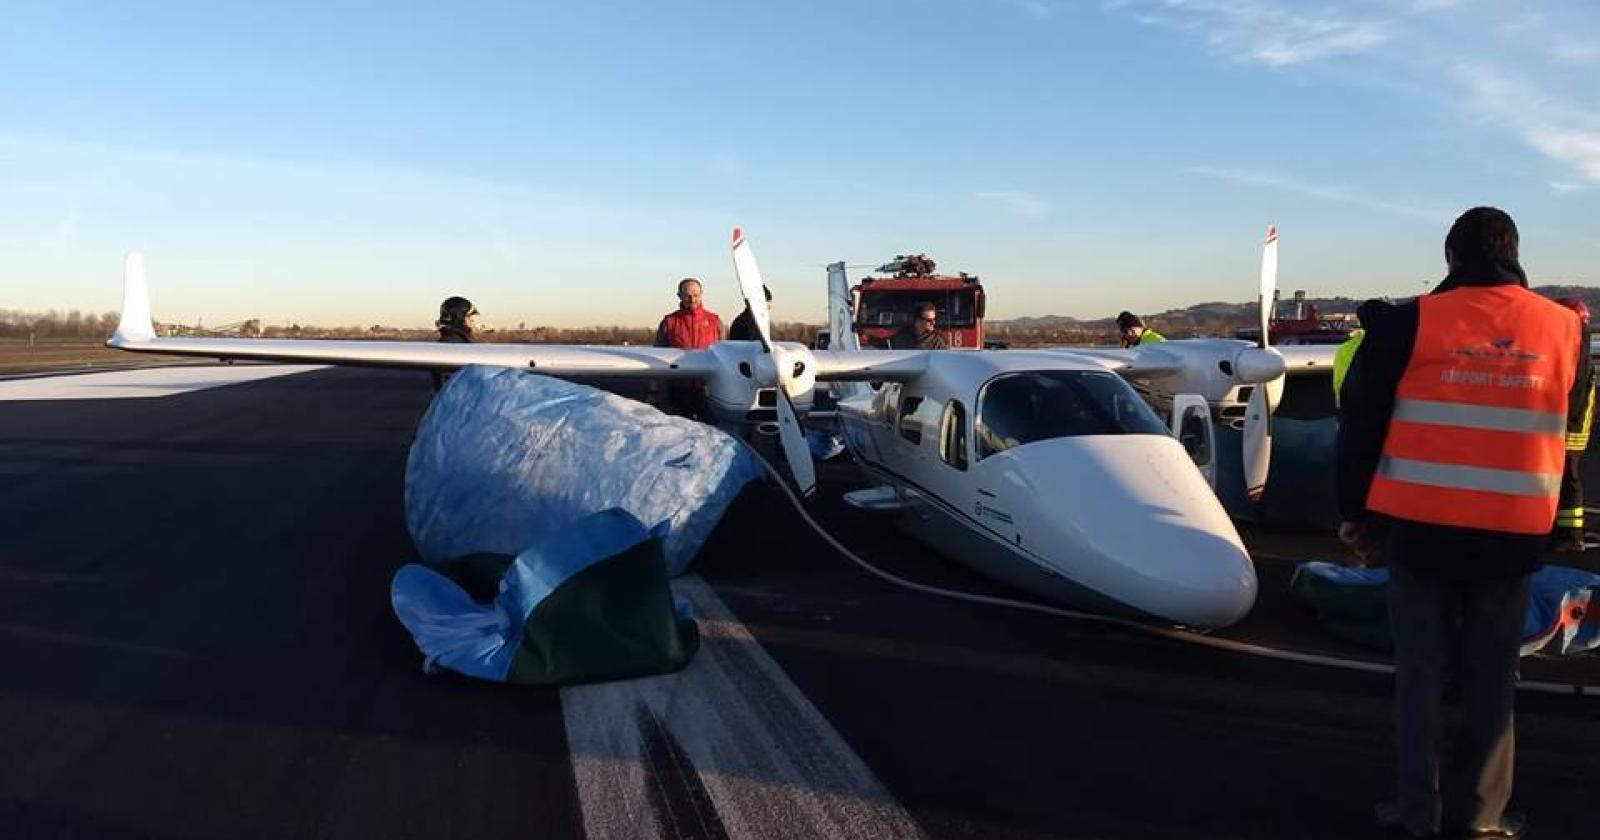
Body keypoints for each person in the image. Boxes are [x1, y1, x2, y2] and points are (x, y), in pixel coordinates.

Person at [1337, 207, 1588, 840]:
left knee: (1418, 676)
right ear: (1515, 253)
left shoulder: (1407, 322)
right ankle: (1483, 816)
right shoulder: (1565, 330)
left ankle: (1418, 813)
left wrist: (1353, 516)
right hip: (1511, 535)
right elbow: (1572, 434)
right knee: (1493, 678)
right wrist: (1566, 519)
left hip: (1418, 529)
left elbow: (1361, 426)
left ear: (1452, 258)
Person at [1553, 298, 1595, 552]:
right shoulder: (1582, 347)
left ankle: (1569, 535)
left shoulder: (1575, 347)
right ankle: (1568, 532)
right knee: (1568, 477)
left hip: (1569, 427)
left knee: (1568, 478)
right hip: (1574, 425)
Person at [654, 278, 723, 419]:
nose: (692, 299)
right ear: (679, 296)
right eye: (687, 296)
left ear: (702, 294)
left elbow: (725, 356)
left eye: (696, 295)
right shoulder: (669, 322)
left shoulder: (715, 321)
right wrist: (656, 390)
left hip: (708, 391)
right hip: (678, 390)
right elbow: (657, 357)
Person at [431, 296, 477, 392]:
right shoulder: (454, 346)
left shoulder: (450, 342)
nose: (473, 320)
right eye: (469, 316)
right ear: (460, 317)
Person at [1332, 317, 1367, 407]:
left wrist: (1338, 400)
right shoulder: (1382, 347)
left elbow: (1338, 378)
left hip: (1348, 399)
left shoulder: (1343, 349)